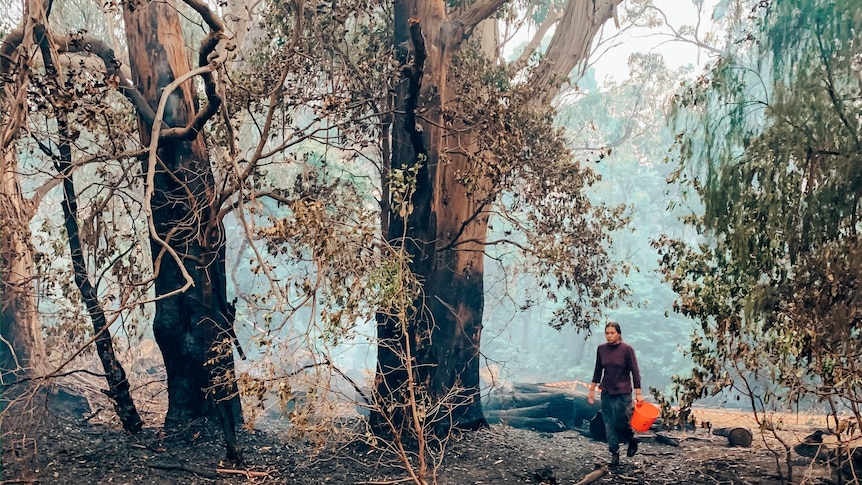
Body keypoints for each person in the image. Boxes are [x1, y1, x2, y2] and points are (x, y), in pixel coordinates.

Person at [587, 321, 643, 466]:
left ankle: (631, 440)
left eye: (612, 333)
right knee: (608, 423)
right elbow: (598, 370)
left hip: (623, 392)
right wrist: (592, 390)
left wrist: (638, 392)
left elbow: (635, 371)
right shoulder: (601, 349)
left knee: (621, 420)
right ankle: (614, 453)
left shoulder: (627, 349)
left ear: (619, 334)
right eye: (607, 333)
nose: (609, 336)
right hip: (606, 391)